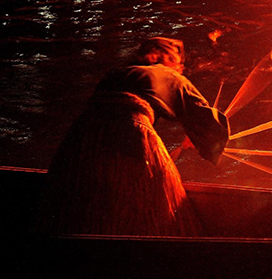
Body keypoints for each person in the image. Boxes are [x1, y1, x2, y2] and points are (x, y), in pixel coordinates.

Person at [36, 37, 228, 236]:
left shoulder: (116, 73)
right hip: (131, 134)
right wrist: (202, 140)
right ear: (169, 59)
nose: (180, 68)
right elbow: (204, 117)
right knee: (151, 202)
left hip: (83, 137)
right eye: (178, 62)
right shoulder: (168, 74)